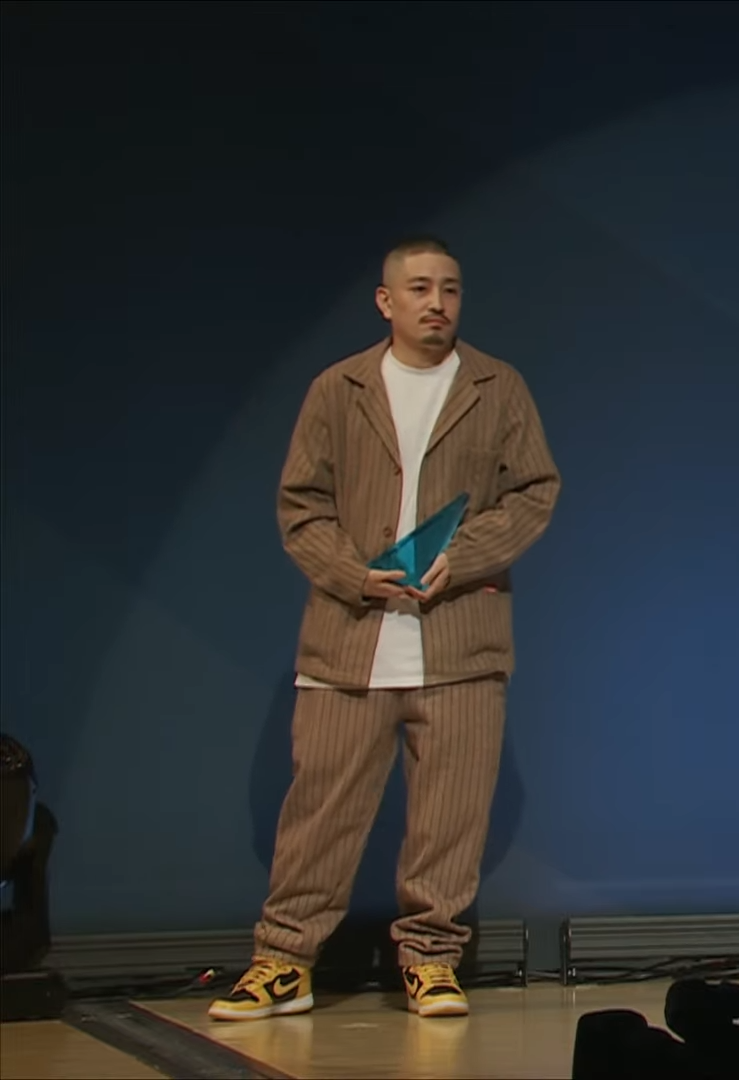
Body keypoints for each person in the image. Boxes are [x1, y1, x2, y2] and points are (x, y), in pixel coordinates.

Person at [209, 236, 561, 1021]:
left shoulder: (497, 386)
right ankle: (284, 962)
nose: (438, 303)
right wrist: (351, 573)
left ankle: (432, 960)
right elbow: (302, 506)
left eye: (451, 289)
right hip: (350, 641)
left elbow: (535, 491)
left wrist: (462, 557)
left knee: (450, 818)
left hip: (461, 642)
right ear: (386, 301)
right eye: (421, 288)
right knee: (320, 813)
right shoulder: (339, 389)